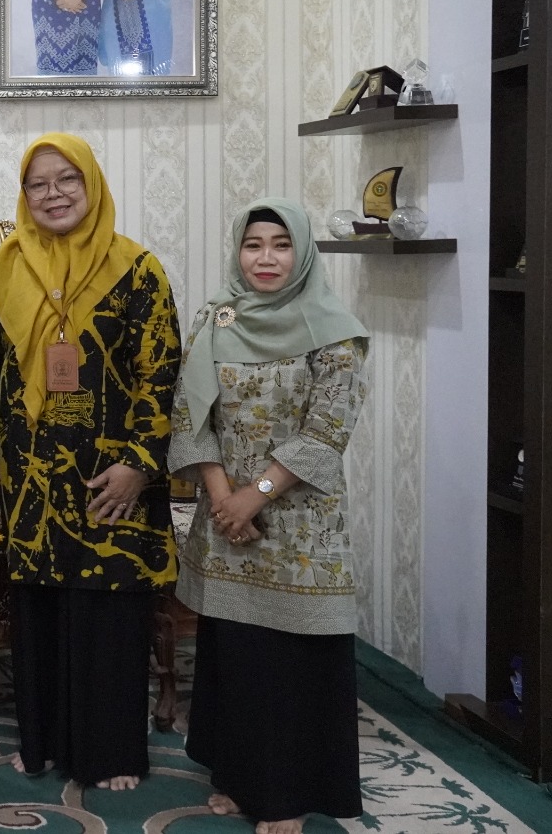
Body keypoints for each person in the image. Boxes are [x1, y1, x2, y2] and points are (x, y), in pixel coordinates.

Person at [0, 132, 180, 791]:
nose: (53, 194)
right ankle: (44, 743)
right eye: (38, 183)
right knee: (41, 609)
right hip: (31, 469)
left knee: (108, 610)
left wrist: (139, 463)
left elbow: (160, 373)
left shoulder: (137, 270)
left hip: (112, 472)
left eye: (67, 179)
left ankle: (112, 753)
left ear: (92, 184)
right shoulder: (1, 269)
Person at [170, 199, 370, 834]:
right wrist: (221, 496)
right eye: (253, 244)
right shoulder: (215, 318)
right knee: (239, 656)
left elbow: (328, 427)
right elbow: (190, 412)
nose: (265, 258)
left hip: (301, 524)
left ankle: (288, 795)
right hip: (226, 516)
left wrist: (253, 495)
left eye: (281, 245)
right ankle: (239, 776)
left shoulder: (335, 330)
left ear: (302, 252)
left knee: (293, 663)